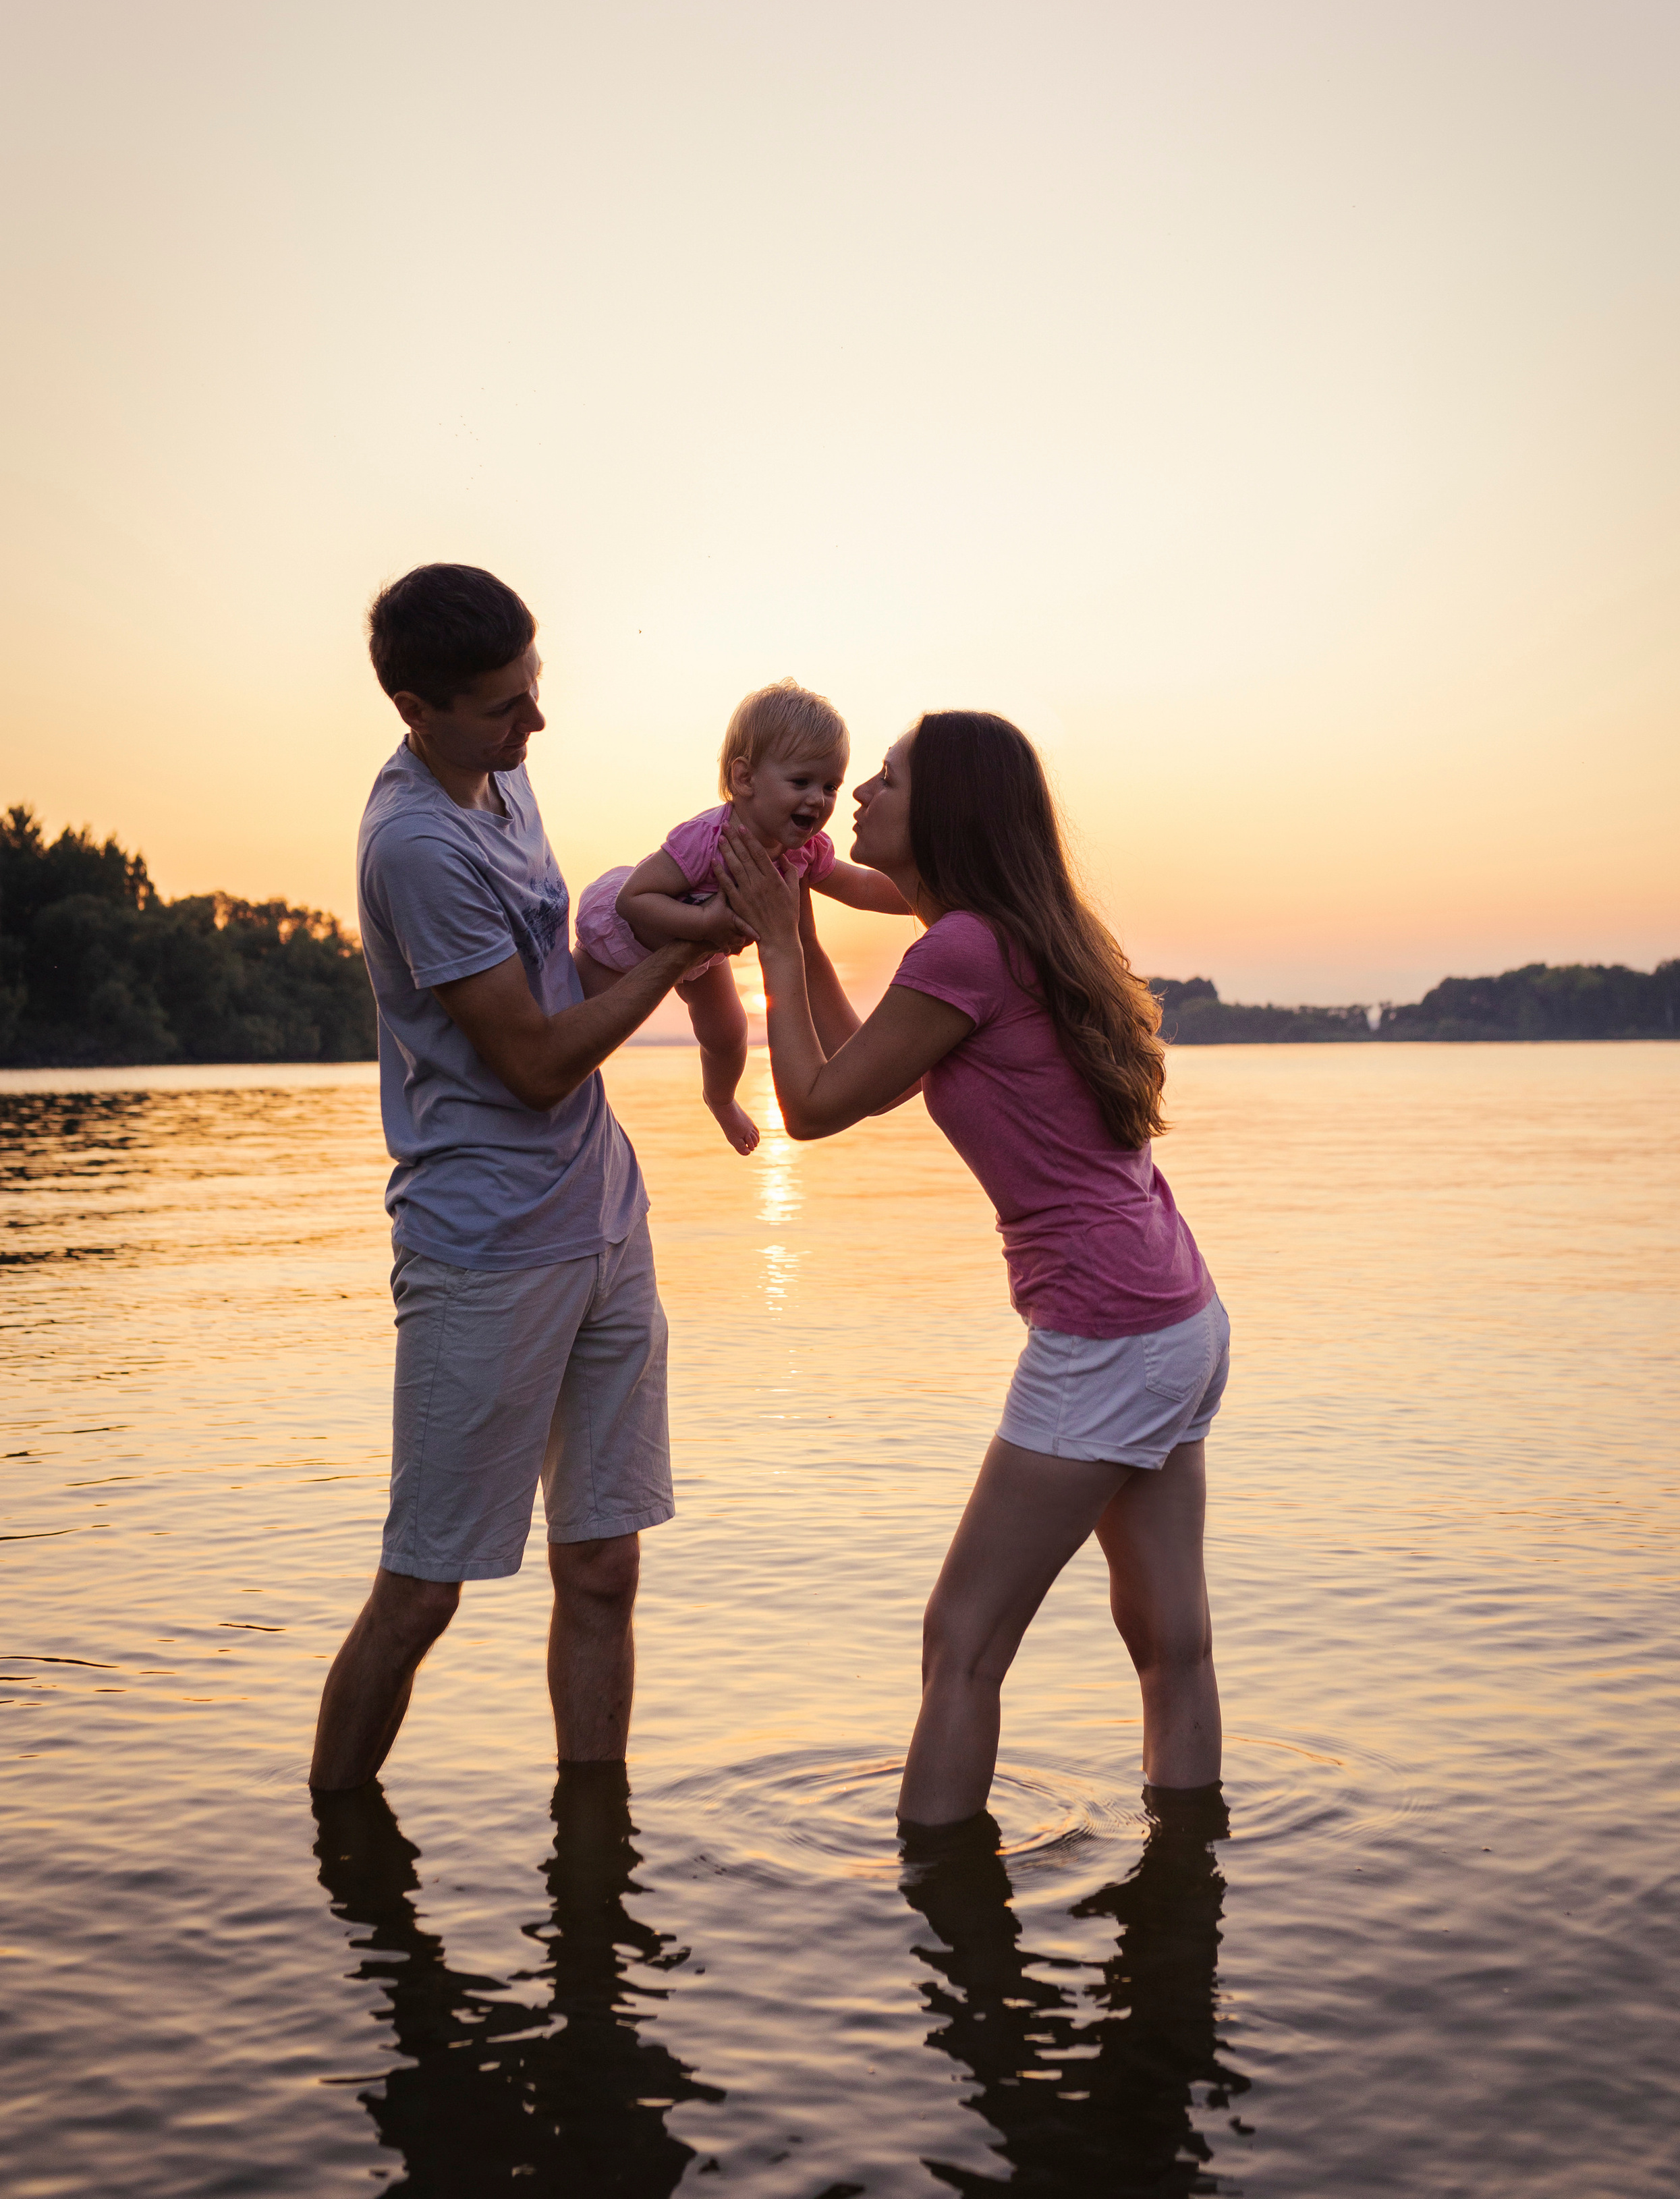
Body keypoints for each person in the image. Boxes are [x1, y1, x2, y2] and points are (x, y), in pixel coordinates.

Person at [716, 710, 1228, 1832]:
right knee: (1171, 1643)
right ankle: (1188, 1873)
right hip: (1179, 1318)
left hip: (1107, 1331)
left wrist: (783, 945)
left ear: (944, 811)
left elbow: (812, 1105)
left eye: (888, 779)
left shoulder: (964, 950)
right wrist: (804, 911)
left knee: (962, 1641)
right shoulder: (1018, 935)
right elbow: (865, 1072)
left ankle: (939, 1897)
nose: (861, 794)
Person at [309, 563, 750, 1792]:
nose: (535, 723)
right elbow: (538, 1064)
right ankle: (339, 1844)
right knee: (422, 1590)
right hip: (485, 1251)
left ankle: (594, 1851)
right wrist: (685, 952)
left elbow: (562, 964)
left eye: (534, 688)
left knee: (604, 1566)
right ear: (417, 709)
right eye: (506, 706)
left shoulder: (501, 775)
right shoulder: (415, 846)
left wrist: (673, 895)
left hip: (602, 1219)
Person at [574, 679, 909, 1157]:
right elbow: (635, 898)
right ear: (745, 779)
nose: (819, 799)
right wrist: (705, 925)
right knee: (577, 1025)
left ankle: (721, 1100)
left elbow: (860, 887)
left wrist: (935, 898)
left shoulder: (804, 851)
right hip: (627, 943)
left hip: (704, 956)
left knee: (729, 1034)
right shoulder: (707, 839)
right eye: (801, 782)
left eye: (830, 786)